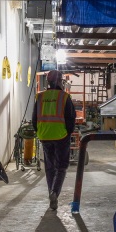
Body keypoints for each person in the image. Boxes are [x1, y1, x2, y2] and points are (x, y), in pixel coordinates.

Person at [32, 69, 76, 210]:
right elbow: (71, 118)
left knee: (49, 167)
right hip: (61, 136)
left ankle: (51, 193)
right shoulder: (64, 97)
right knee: (61, 167)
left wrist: (40, 131)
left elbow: (34, 119)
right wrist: (68, 133)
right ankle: (55, 192)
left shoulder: (39, 97)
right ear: (59, 81)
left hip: (45, 136)